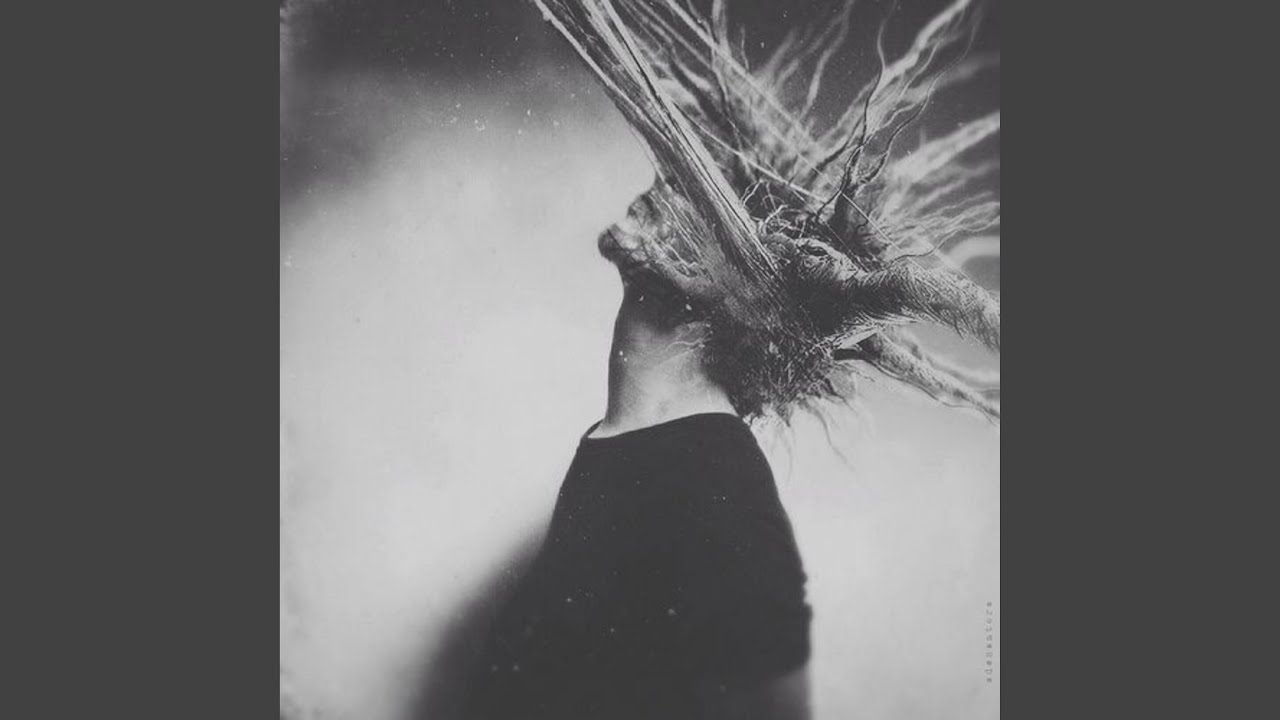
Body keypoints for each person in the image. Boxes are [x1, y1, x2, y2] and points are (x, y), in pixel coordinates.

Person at [462, 195, 813, 720]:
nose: (661, 188)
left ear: (740, 291)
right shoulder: (631, 445)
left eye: (701, 199)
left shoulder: (720, 486)